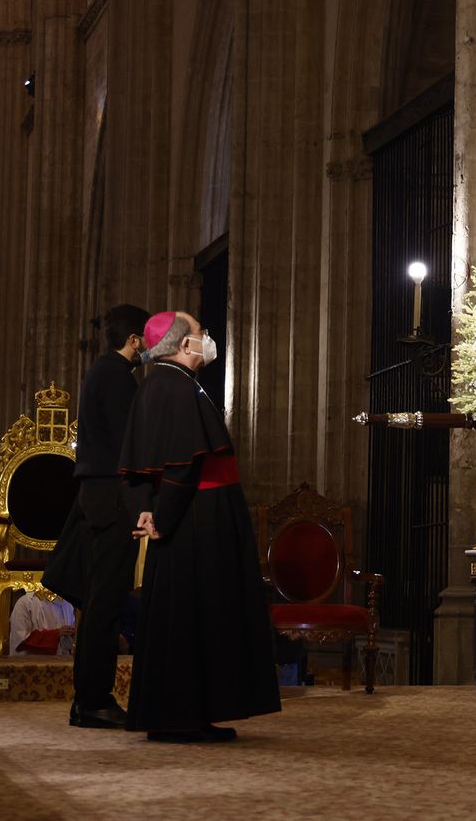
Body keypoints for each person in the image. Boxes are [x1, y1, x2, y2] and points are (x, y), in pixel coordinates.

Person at [119, 311, 281, 743]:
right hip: (195, 517)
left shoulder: (169, 384)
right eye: (198, 333)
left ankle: (191, 712)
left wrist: (148, 512)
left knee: (195, 616)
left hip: (189, 515)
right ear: (179, 344)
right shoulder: (172, 386)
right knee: (194, 615)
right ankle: (180, 717)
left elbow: (144, 467)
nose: (205, 338)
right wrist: (162, 517)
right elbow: (182, 463)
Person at [43, 303, 148, 729]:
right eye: (147, 341)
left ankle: (87, 700)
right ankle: (94, 700)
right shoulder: (119, 378)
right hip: (112, 501)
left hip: (97, 496)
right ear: (135, 340)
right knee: (106, 605)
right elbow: (131, 446)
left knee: (101, 605)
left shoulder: (101, 372)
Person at [9, 589, 76, 656]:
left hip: (62, 662)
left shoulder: (67, 605)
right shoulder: (25, 603)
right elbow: (20, 641)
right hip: (32, 663)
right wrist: (56, 634)